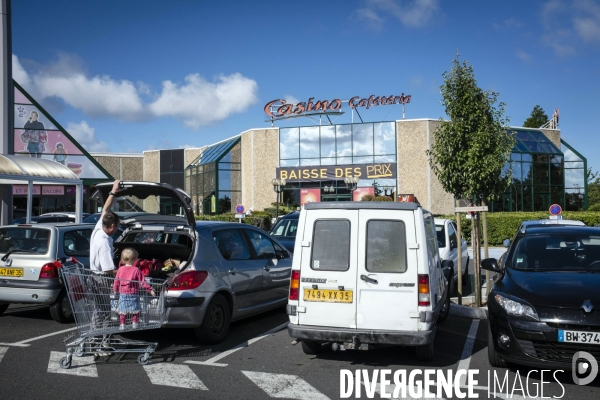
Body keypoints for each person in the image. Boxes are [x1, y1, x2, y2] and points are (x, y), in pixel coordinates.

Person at [88, 180, 122, 334]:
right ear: (113, 226)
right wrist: (126, 272)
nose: (118, 229)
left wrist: (113, 191)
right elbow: (108, 269)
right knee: (104, 311)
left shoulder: (99, 229)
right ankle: (102, 340)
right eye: (118, 226)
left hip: (94, 277)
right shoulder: (104, 244)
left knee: (98, 310)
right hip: (101, 279)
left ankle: (97, 338)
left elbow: (106, 208)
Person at [113, 248, 155, 330]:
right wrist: (150, 289)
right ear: (134, 259)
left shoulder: (120, 270)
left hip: (123, 293)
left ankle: (122, 324)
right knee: (135, 309)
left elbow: (116, 282)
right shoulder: (136, 270)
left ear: (122, 259)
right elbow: (142, 282)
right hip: (134, 293)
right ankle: (135, 323)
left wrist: (115, 290)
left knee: (122, 309)